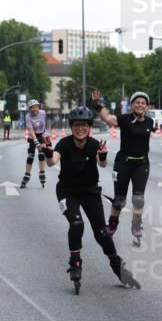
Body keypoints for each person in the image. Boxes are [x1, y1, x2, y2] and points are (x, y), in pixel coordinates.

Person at [40, 106, 140, 291]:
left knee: (102, 234)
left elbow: (102, 164)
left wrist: (102, 156)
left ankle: (117, 265)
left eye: (84, 125)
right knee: (77, 224)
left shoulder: (94, 144)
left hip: (90, 192)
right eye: (76, 125)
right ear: (71, 127)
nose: (80, 128)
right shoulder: (64, 143)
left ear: (89, 127)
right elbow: (53, 161)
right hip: (67, 192)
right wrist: (47, 153)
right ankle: (75, 263)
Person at [90, 90, 154, 243]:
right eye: (137, 102)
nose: (140, 105)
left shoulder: (150, 122)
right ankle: (112, 225)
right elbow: (108, 119)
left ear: (146, 106)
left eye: (143, 103)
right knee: (119, 200)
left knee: (138, 199)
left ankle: (136, 226)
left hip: (141, 164)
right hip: (123, 164)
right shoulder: (125, 119)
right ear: (132, 105)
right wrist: (98, 105)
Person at [21, 99, 49, 189]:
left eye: (36, 107)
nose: (34, 109)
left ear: (38, 107)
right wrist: (36, 141)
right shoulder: (28, 117)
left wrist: (44, 138)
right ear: (30, 109)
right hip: (32, 136)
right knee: (30, 157)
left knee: (41, 155)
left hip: (41, 135)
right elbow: (31, 130)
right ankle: (27, 174)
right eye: (32, 108)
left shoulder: (43, 113)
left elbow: (44, 125)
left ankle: (42, 172)